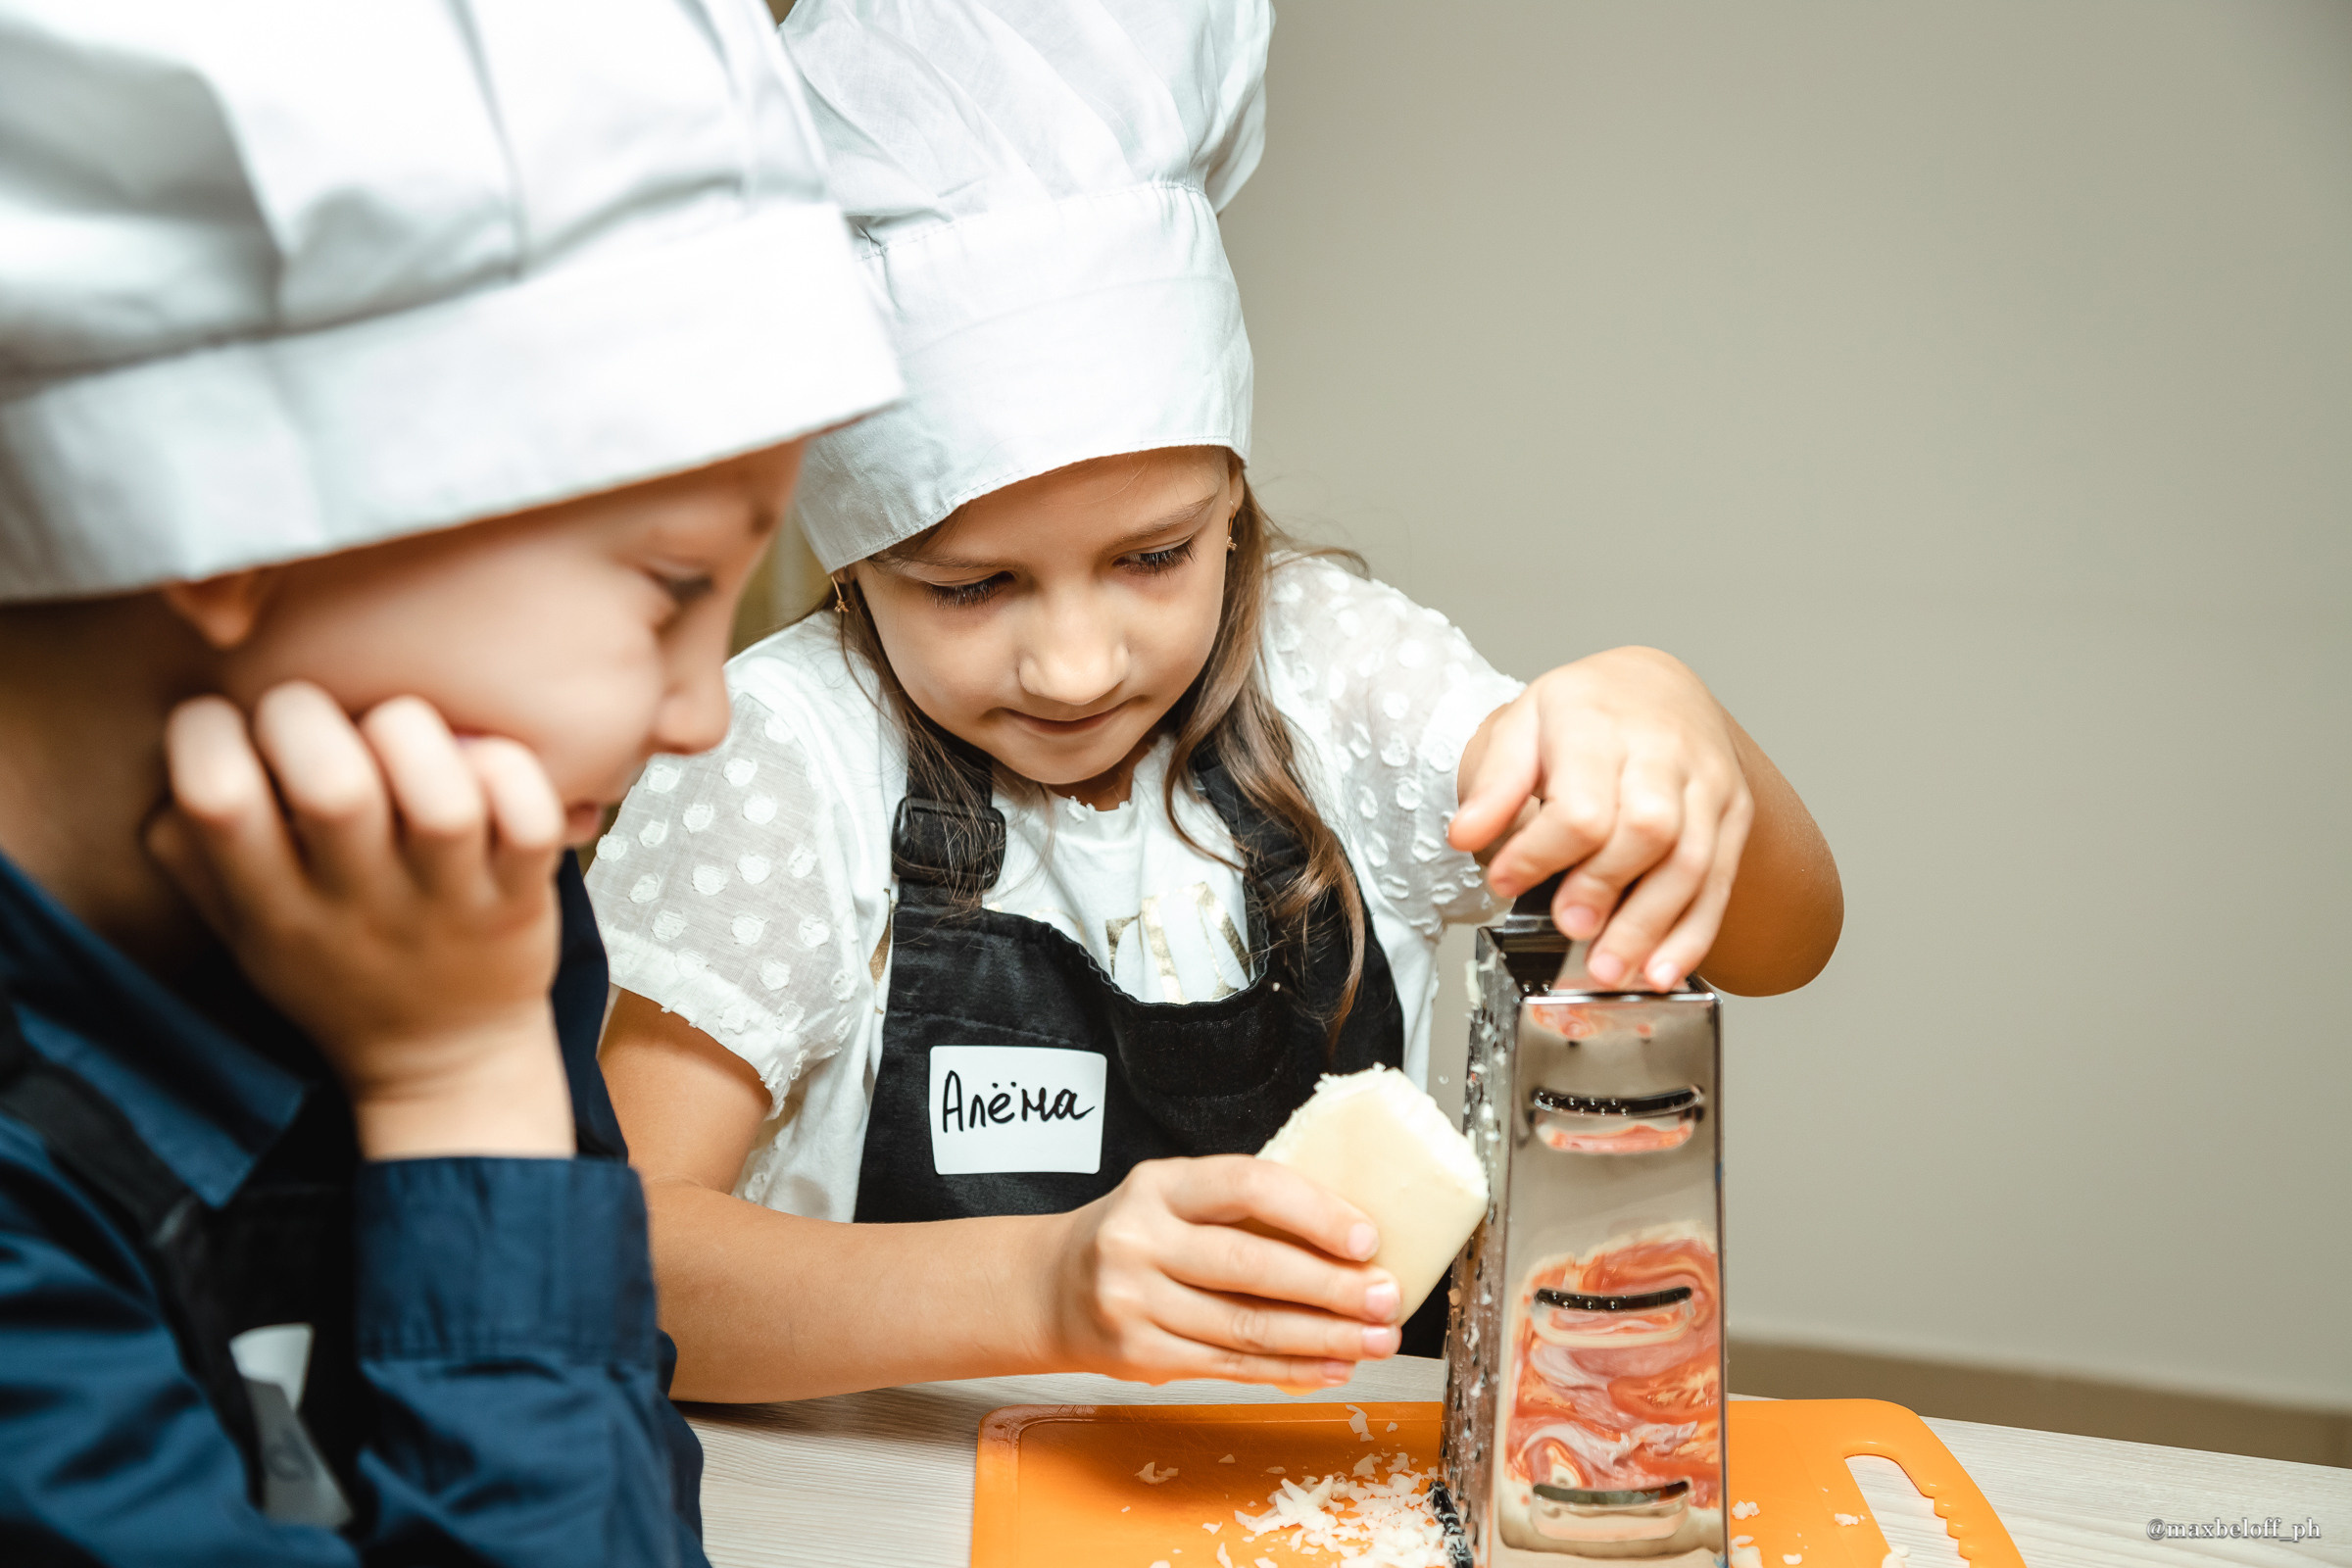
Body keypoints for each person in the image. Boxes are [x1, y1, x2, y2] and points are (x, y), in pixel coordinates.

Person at [589, 0, 1843, 1405]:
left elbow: (1787, 940)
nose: (1077, 667)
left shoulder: (1330, 680)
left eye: (1154, 558)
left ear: (1231, 503)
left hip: (1318, 1495)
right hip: (900, 1499)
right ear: (854, 557)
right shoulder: (778, 760)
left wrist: (1674, 719)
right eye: (973, 585)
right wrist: (1039, 1288)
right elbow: (611, 1267)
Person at [0, 4, 899, 1562]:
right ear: (235, 509)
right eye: (671, 587)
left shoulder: (459, 897)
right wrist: (462, 1097)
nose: (703, 716)